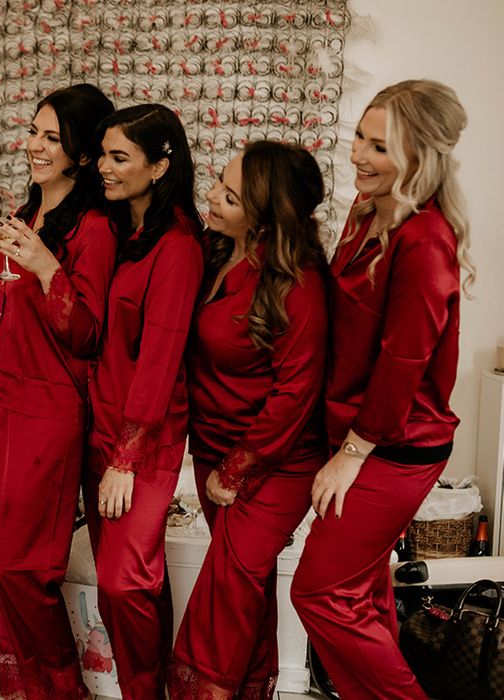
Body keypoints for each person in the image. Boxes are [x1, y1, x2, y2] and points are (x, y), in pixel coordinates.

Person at [290, 79, 475, 699]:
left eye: (380, 146)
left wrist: (351, 454)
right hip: (354, 430)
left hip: (392, 446)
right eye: (360, 139)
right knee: (362, 594)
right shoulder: (368, 210)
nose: (358, 157)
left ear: (420, 155)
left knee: (318, 592)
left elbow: (403, 361)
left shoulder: (425, 242)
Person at [167, 141, 329, 699]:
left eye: (229, 196)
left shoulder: (297, 284)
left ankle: (200, 692)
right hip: (214, 447)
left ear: (264, 217)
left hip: (275, 461)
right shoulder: (215, 251)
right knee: (247, 592)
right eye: (218, 182)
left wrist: (234, 471)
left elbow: (295, 394)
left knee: (229, 585)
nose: (211, 196)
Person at [0, 83, 116, 699]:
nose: (36, 146)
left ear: (83, 155)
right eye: (34, 132)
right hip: (4, 405)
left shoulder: (93, 229)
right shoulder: (24, 214)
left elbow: (88, 334)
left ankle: (63, 691)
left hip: (52, 410)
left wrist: (44, 267)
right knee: (2, 566)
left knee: (23, 567)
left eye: (52, 138)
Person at [84, 104, 204, 699]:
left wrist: (125, 459)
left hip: (142, 440)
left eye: (119, 157)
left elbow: (158, 360)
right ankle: (155, 685)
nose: (103, 166)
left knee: (123, 579)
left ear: (161, 165)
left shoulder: (177, 245)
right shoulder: (122, 231)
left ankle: (144, 691)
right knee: (140, 579)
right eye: (103, 153)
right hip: (99, 428)